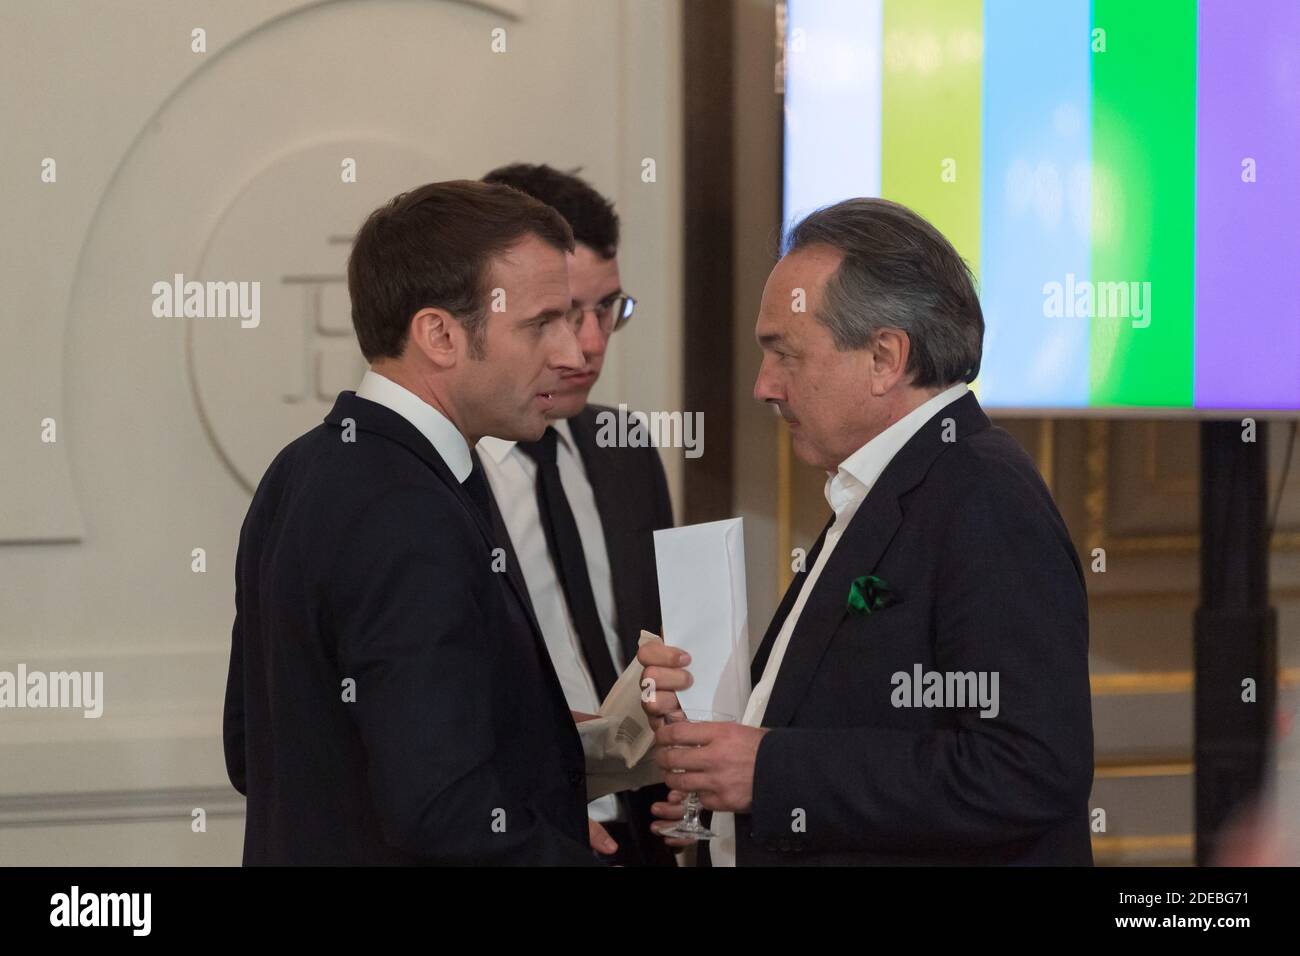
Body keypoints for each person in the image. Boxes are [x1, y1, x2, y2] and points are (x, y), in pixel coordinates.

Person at [640, 197, 1095, 865]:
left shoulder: (982, 491)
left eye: (784, 354)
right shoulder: (895, 480)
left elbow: (1026, 768)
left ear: (885, 357)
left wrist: (768, 773)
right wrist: (717, 797)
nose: (764, 386)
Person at [223, 180, 600, 864]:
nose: (574, 355)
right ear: (439, 335)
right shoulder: (407, 509)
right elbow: (443, 816)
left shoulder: (302, 466)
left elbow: (254, 749)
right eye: (542, 323)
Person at [474, 163, 675, 866]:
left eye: (608, 311)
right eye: (562, 316)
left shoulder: (626, 451)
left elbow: (655, 646)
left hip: (640, 835)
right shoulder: (439, 476)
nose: (589, 346)